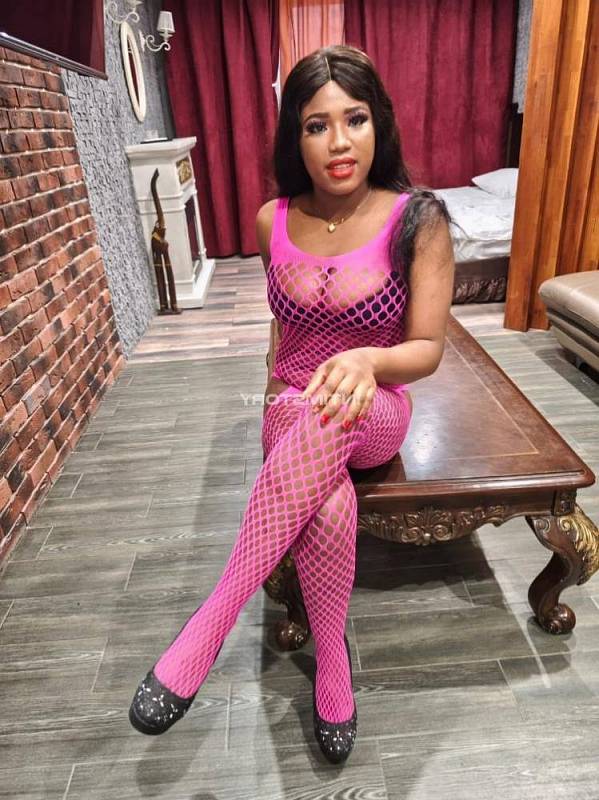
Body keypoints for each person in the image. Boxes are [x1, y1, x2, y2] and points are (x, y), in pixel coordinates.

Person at [129, 44, 455, 765]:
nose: (339, 142)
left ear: (379, 124)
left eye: (355, 119)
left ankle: (215, 617)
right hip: (290, 406)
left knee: (333, 413)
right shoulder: (269, 219)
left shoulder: (418, 219)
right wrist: (280, 393)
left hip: (374, 408)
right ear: (294, 137)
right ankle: (332, 661)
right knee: (328, 506)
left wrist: (366, 360)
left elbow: (427, 348)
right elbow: (284, 333)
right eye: (316, 125)